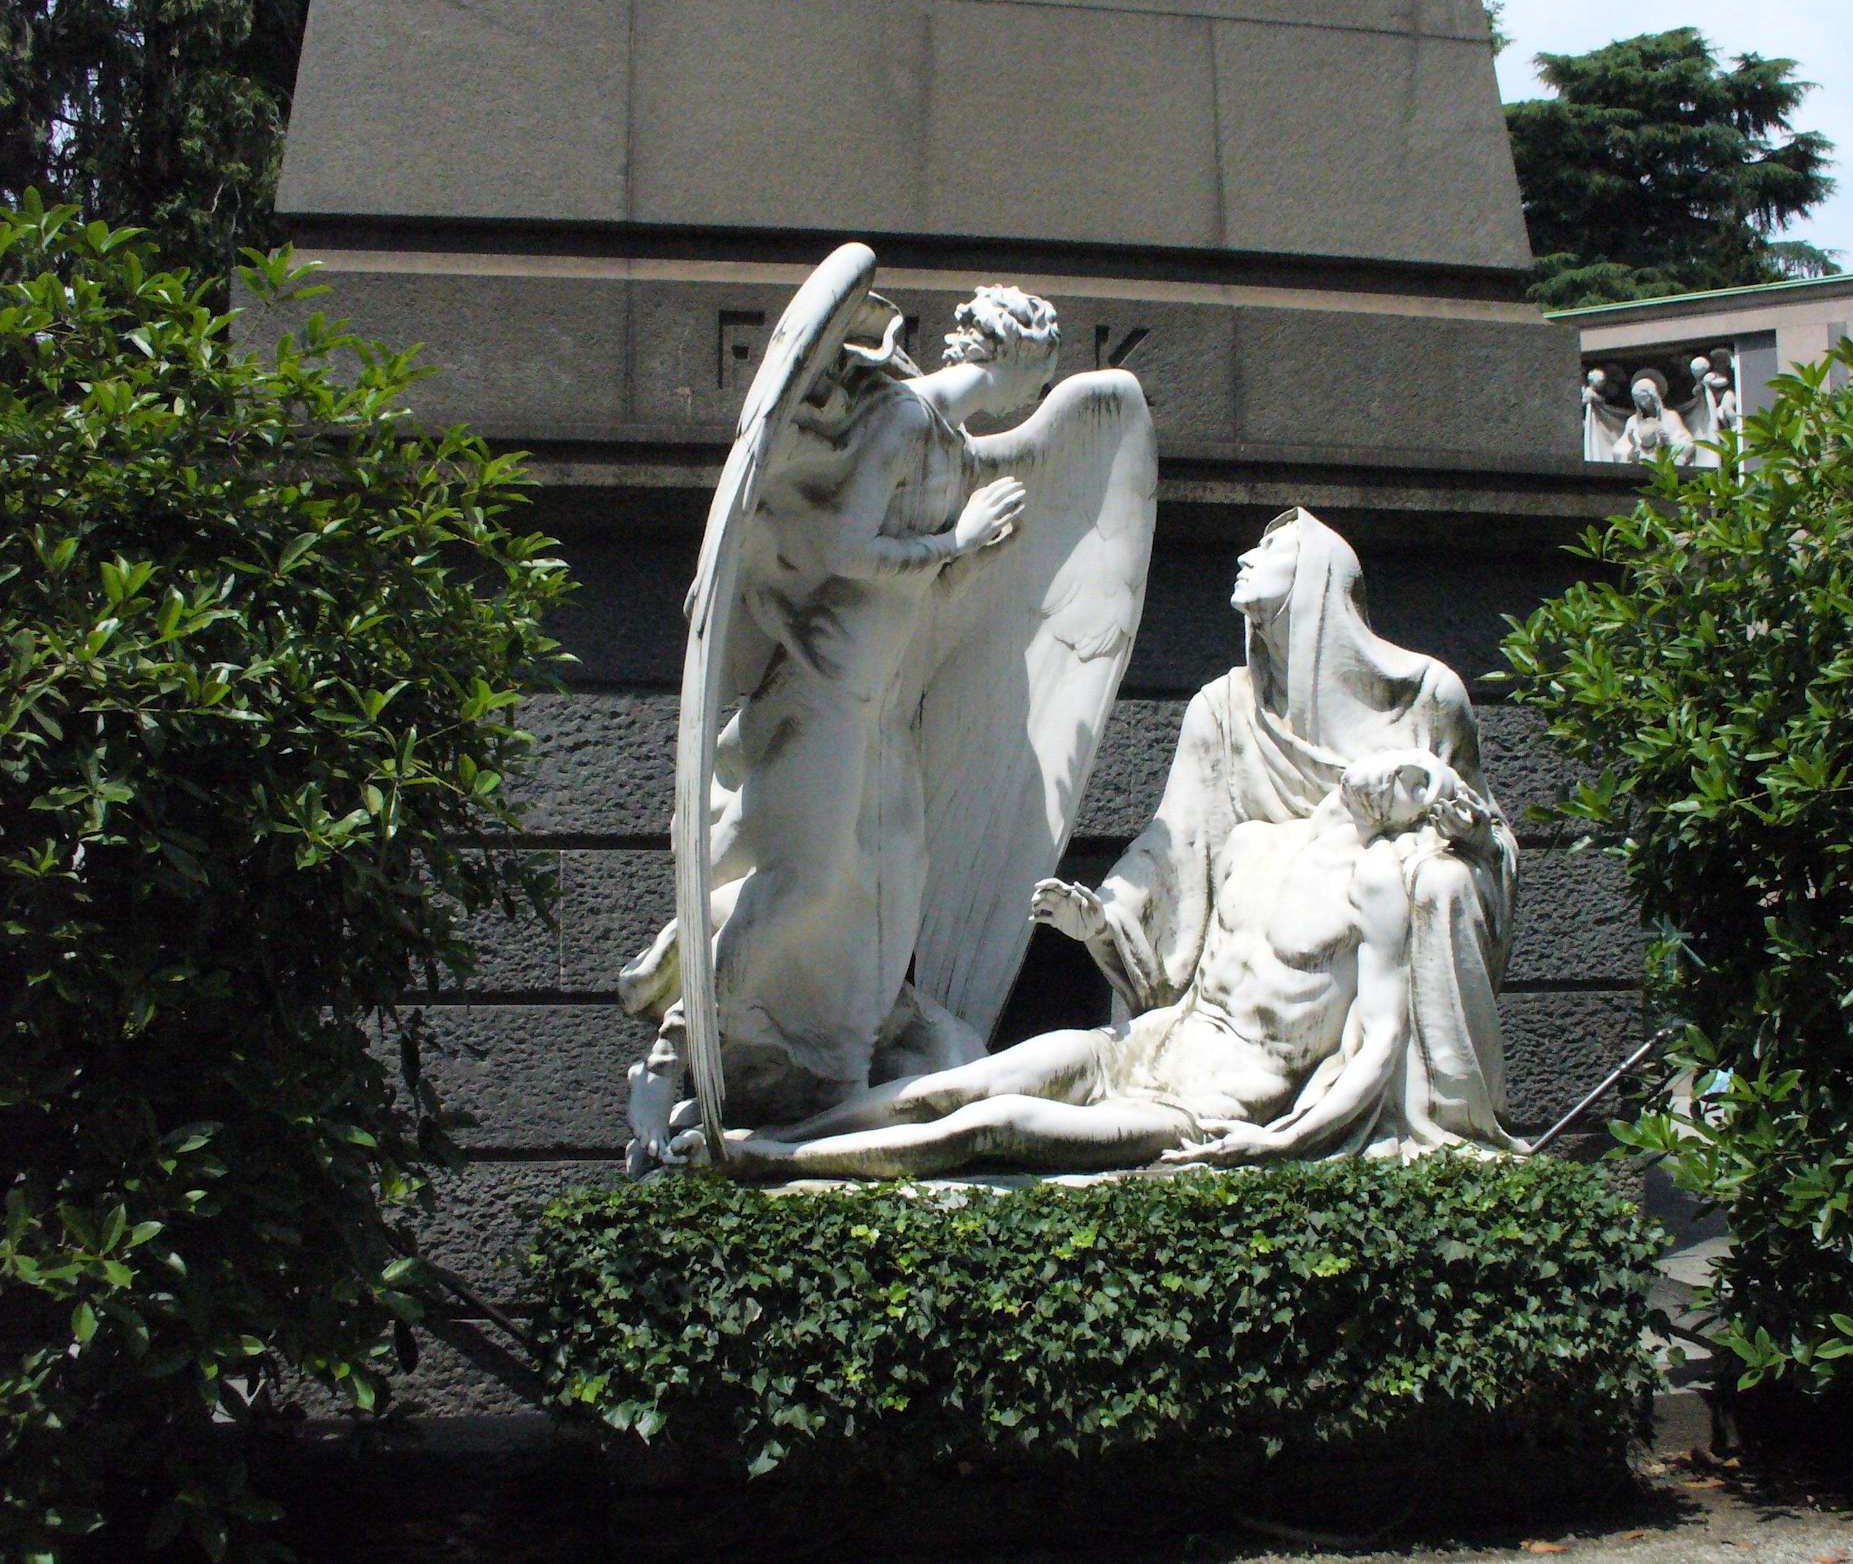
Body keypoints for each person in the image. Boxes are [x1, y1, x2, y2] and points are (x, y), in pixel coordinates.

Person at [620, 286, 1059, 1140]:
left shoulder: (953, 445)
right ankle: (672, 1057)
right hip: (828, 685)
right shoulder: (900, 418)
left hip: (878, 705)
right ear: (1014, 359)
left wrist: (966, 559)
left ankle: (822, 1071)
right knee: (804, 883)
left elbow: (913, 584)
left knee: (874, 898)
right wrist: (958, 542)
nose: (1033, 397)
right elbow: (842, 548)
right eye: (1038, 376)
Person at [679, 751, 1505, 1179]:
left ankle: (762, 1160)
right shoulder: (1254, 844)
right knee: (952, 1088)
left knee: (991, 1125)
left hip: (1202, 1106)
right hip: (1140, 1049)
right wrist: (1097, 931)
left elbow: (1379, 1040)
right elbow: (1172, 978)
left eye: (1419, 786)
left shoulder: (1374, 886)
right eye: (1406, 760)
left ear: (1415, 821)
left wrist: (1284, 1139)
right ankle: (773, 1138)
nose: (1399, 776)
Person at [1030, 509, 1520, 1156]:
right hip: (1205, 1028)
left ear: (1319, 576)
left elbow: (1491, 846)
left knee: (1446, 879)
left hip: (1313, 1021)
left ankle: (1429, 1118)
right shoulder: (1224, 711)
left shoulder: (1425, 696)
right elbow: (1174, 847)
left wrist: (1469, 840)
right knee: (1012, 1092)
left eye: (1271, 548)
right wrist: (1108, 919)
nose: (1245, 557)